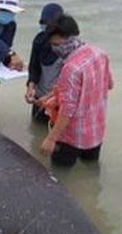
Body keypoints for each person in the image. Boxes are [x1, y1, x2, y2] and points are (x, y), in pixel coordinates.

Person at [39, 13, 114, 167]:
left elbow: (67, 109)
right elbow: (109, 84)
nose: (53, 46)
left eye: (54, 42)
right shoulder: (99, 53)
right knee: (91, 172)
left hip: (71, 136)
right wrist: (52, 95)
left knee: (60, 176)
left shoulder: (70, 68)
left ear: (62, 37)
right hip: (95, 130)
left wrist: (51, 138)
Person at [24, 2, 64, 123]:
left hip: (59, 100)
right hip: (40, 96)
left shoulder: (67, 47)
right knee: (37, 129)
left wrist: (50, 96)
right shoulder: (39, 40)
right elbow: (34, 67)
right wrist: (30, 88)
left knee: (56, 133)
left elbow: (67, 82)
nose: (45, 28)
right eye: (43, 24)